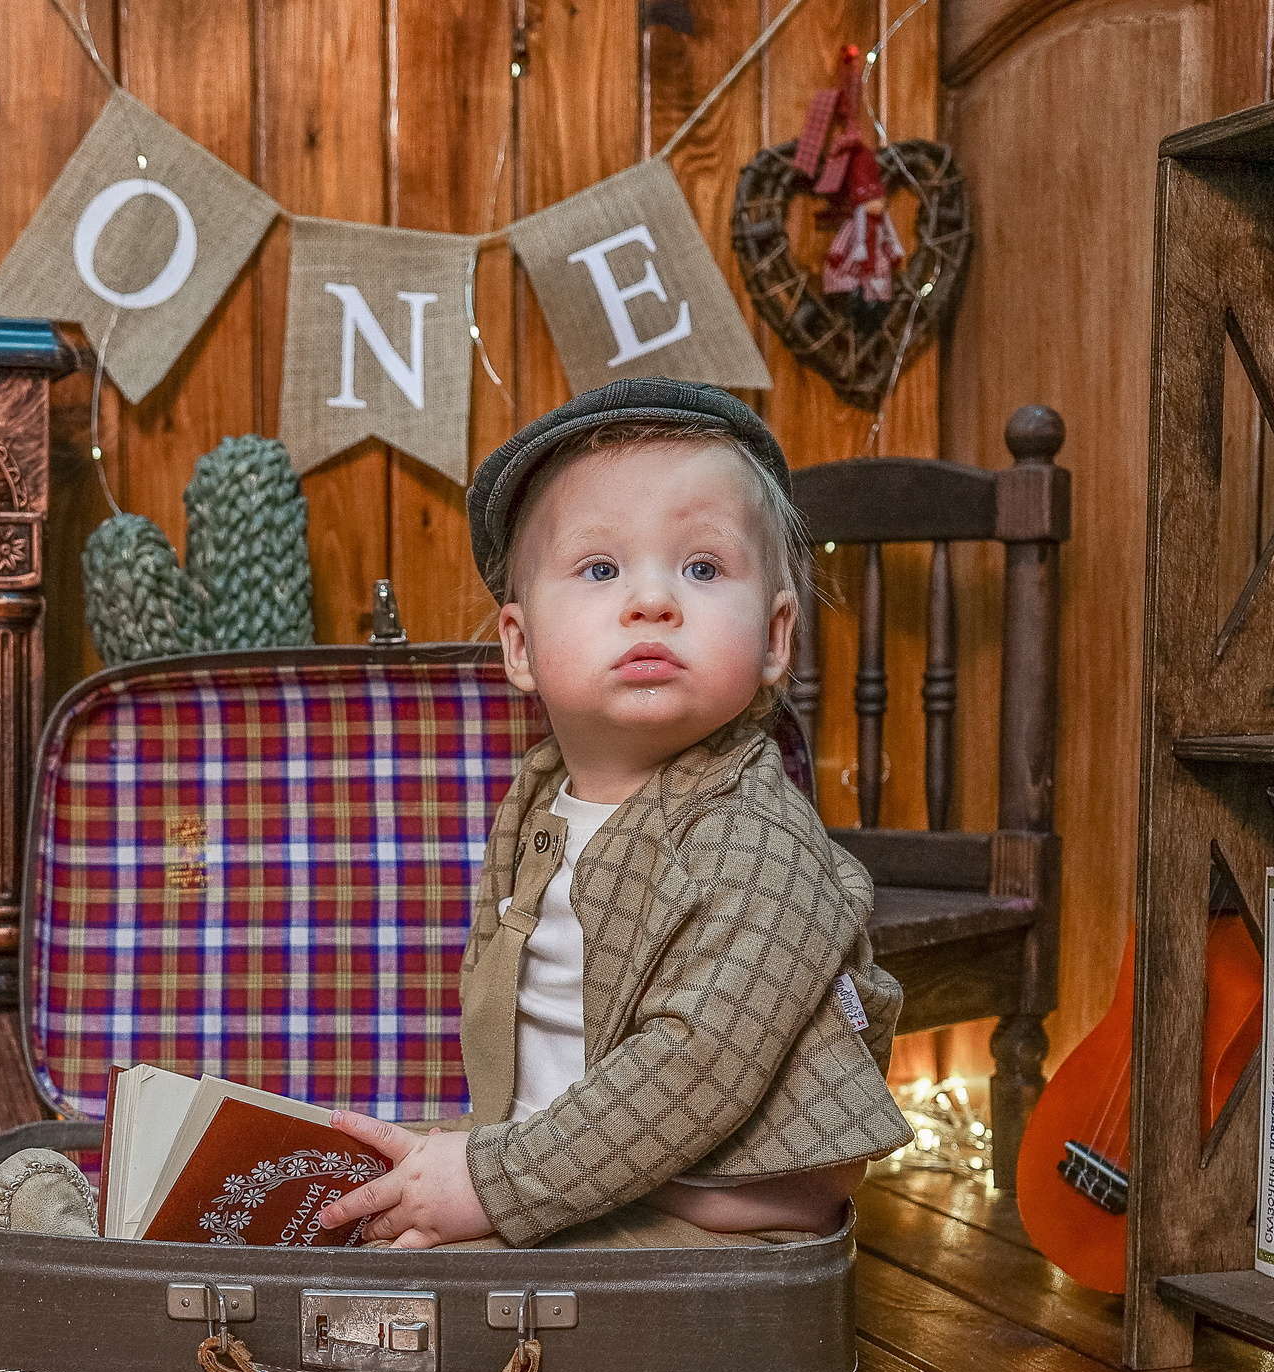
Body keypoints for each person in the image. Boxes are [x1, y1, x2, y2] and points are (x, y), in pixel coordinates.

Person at [311, 378, 911, 1249]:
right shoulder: (536, 802)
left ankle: (697, 1199)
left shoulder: (756, 838)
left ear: (776, 637)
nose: (653, 601)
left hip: (731, 1195)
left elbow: (695, 1066)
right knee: (375, 1212)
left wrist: (491, 1181)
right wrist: (486, 1153)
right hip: (570, 1152)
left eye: (702, 568)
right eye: (601, 569)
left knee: (427, 1263)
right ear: (519, 647)